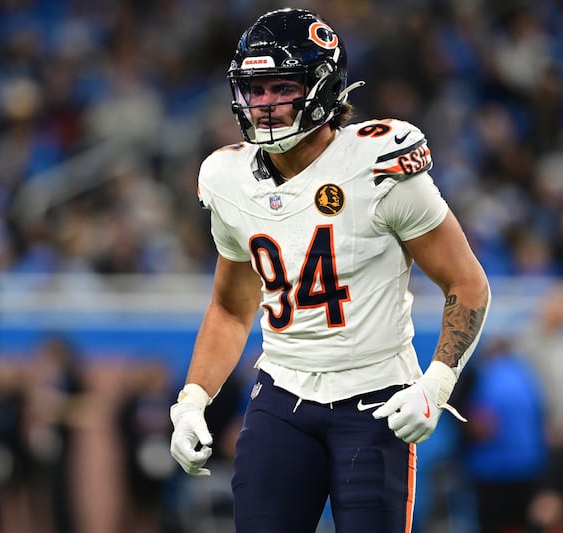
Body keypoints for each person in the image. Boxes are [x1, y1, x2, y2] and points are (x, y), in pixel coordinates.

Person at [168, 8, 490, 533]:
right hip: (281, 393)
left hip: (377, 396)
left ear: (322, 86)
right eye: (257, 89)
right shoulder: (227, 178)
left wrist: (436, 385)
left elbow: (467, 283)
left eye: (281, 86)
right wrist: (192, 400)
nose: (266, 104)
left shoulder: (378, 165)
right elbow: (231, 307)